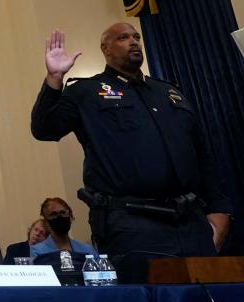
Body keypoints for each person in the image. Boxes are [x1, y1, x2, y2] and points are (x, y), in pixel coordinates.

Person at [31, 24, 231, 282]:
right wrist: (54, 80)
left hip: (190, 222)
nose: (134, 42)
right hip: (132, 225)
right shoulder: (87, 92)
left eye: (136, 36)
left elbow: (202, 155)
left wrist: (220, 210)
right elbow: (44, 129)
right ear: (105, 48)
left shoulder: (169, 92)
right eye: (123, 38)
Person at [29, 197, 96, 260]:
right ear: (46, 222)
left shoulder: (88, 250)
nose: (59, 217)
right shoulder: (38, 251)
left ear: (70, 217)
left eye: (63, 213)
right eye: (53, 214)